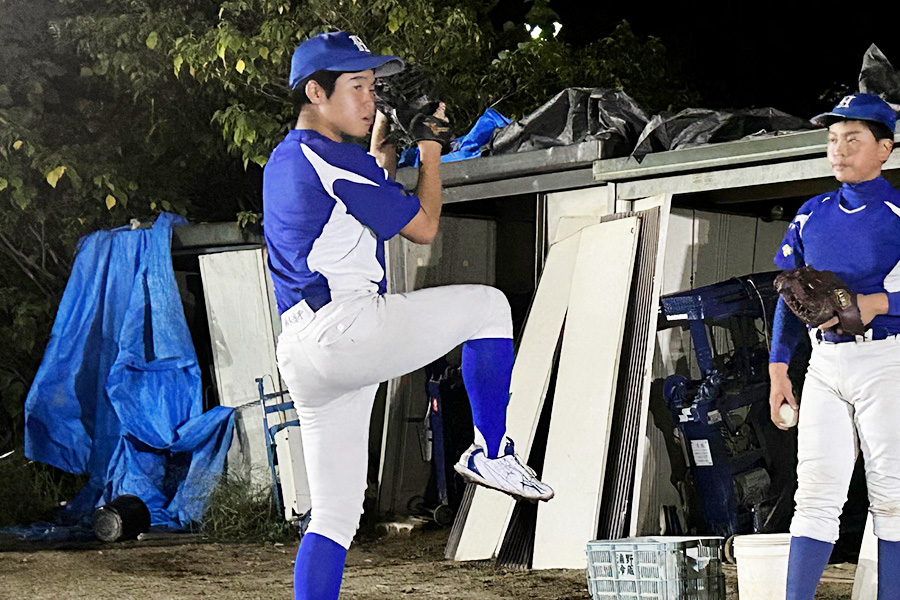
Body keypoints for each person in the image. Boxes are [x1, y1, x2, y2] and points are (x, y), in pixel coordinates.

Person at [262, 31, 554, 600]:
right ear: (315, 92)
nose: (370, 97)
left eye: (373, 86)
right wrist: (430, 149)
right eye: (357, 86)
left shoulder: (290, 156)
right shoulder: (331, 159)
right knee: (489, 307)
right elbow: (422, 226)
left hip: (303, 350)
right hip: (347, 330)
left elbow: (368, 175)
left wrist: (388, 135)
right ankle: (492, 451)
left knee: (334, 517)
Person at [768, 93, 900, 600]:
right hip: (824, 362)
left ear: (884, 148)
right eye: (832, 140)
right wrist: (779, 368)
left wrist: (878, 303)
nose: (839, 149)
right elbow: (788, 293)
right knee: (816, 496)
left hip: (886, 359)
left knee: (890, 499)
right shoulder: (810, 214)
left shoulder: (896, 212)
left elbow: (879, 302)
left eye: (853, 139)